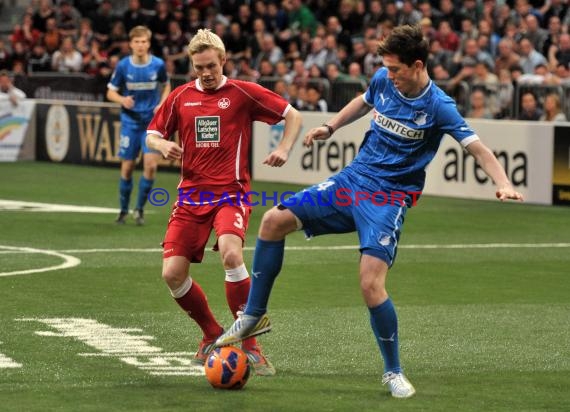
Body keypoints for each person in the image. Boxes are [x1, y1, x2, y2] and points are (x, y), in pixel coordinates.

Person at [214, 25, 524, 398]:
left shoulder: (439, 106)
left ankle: (393, 371)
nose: (388, 75)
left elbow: (477, 148)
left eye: (395, 69)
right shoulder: (383, 80)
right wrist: (330, 126)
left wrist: (503, 181)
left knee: (370, 284)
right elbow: (364, 101)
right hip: (352, 181)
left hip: (387, 200)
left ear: (418, 65)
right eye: (387, 68)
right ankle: (252, 315)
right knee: (272, 220)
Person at [145, 29, 303, 375]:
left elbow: (293, 114)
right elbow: (152, 133)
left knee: (232, 253)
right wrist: (162, 146)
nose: (206, 73)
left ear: (223, 61)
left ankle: (251, 343)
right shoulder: (180, 98)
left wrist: (283, 148)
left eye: (211, 66)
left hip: (231, 192)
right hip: (190, 196)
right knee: (172, 274)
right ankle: (212, 334)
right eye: (199, 67)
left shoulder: (242, 93)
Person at [107, 25, 171, 225]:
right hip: (130, 122)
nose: (141, 45)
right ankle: (123, 210)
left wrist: (162, 103)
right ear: (131, 44)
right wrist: (122, 100)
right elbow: (110, 92)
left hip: (152, 124)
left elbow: (167, 85)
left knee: (151, 166)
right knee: (127, 168)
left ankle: (140, 209)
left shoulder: (158, 64)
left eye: (144, 41)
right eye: (137, 42)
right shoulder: (123, 66)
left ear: (148, 43)